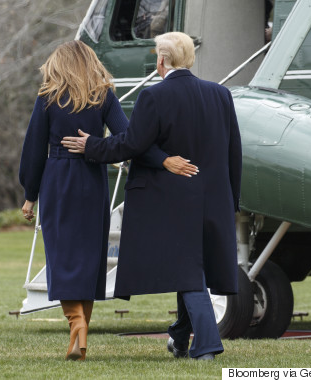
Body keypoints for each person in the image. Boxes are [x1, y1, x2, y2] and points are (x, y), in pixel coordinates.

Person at [61, 32, 242, 361]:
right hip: (214, 199)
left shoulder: (153, 97)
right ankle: (179, 336)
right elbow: (234, 154)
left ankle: (208, 346)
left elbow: (132, 144)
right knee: (191, 269)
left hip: (170, 202)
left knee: (188, 273)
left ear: (161, 60)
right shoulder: (221, 95)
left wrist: (91, 146)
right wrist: (233, 201)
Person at [19, 40, 196, 361]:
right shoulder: (103, 95)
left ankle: (77, 326)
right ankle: (81, 327)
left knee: (62, 257)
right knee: (88, 257)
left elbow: (33, 150)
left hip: (59, 180)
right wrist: (163, 160)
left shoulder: (48, 97)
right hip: (92, 180)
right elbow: (130, 138)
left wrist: (30, 195)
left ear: (59, 64)